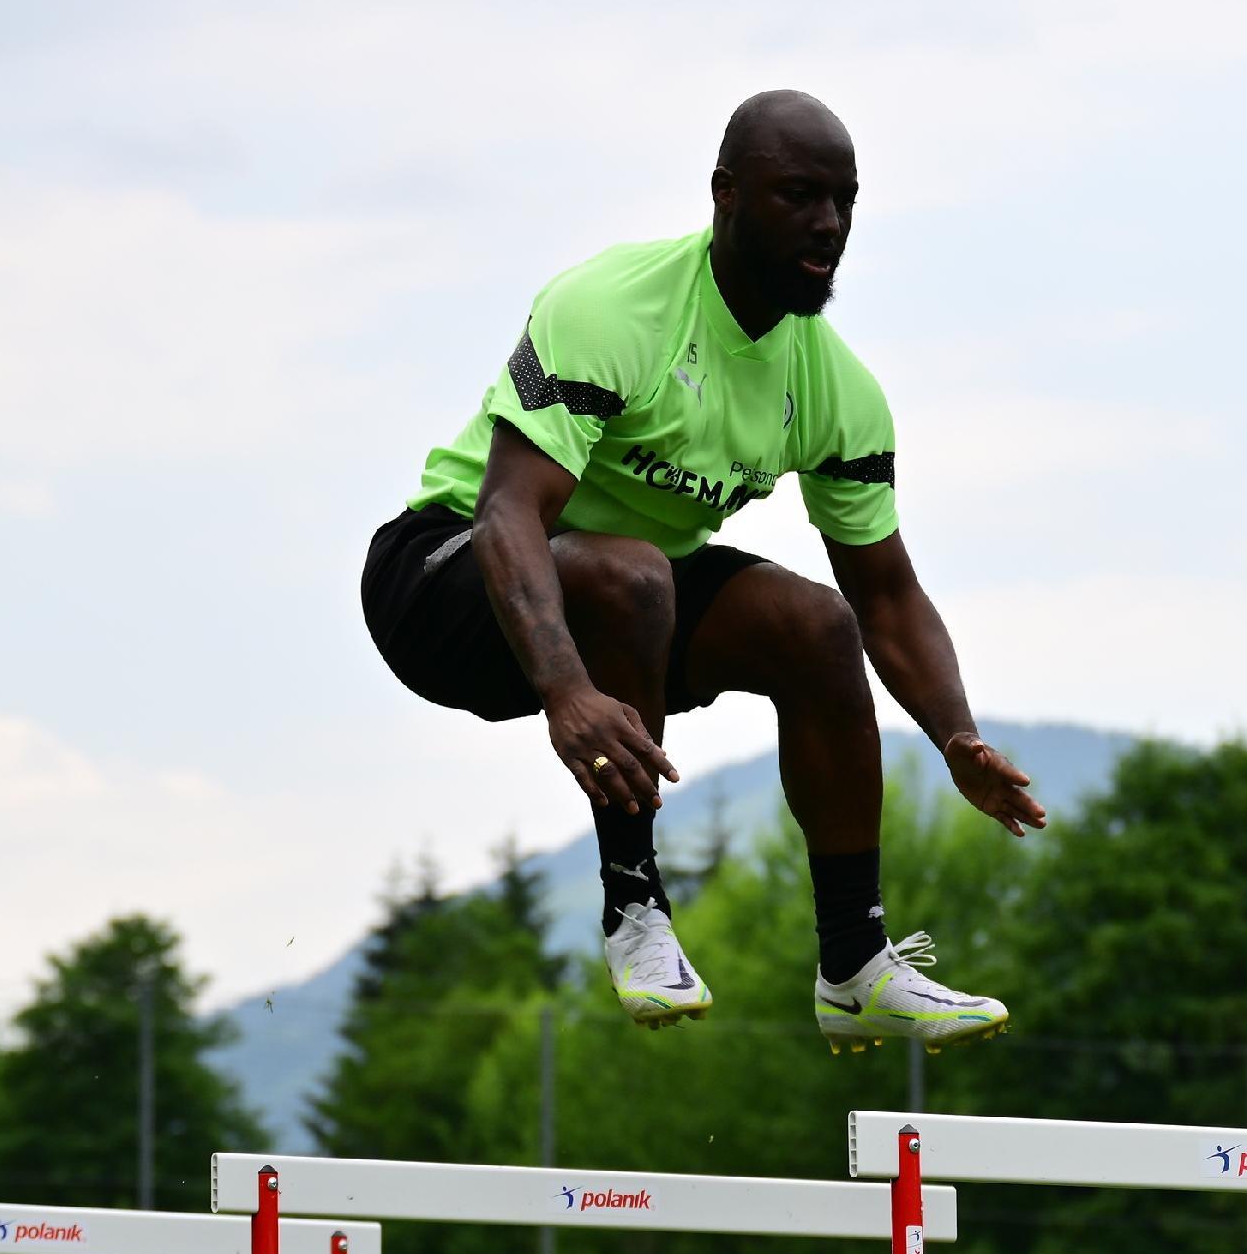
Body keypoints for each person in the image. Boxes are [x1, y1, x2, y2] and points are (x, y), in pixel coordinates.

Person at [361, 90, 1046, 1050]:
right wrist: (564, 689)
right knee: (634, 573)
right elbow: (509, 511)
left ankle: (855, 963)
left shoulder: (837, 390)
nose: (829, 225)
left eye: (846, 201)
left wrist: (956, 735)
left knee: (817, 627)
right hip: (444, 583)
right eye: (800, 195)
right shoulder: (614, 308)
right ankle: (634, 911)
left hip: (620, 612)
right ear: (725, 193)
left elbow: (886, 595)